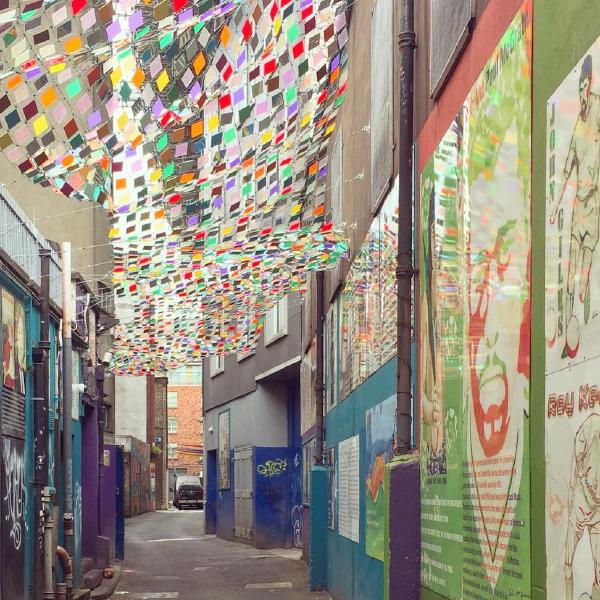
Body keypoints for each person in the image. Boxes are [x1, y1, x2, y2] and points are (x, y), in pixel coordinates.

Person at [549, 55, 600, 358]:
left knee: (584, 276)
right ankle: (569, 336)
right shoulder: (577, 130)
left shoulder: (597, 108)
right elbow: (566, 169)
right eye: (580, 85)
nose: (582, 90)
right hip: (579, 205)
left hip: (594, 203)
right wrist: (555, 207)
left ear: (589, 84)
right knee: (570, 279)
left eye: (585, 84)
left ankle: (585, 327)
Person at [564, 413, 600, 600]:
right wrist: (573, 488)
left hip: (598, 509)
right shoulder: (592, 424)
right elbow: (575, 461)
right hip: (581, 500)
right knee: (569, 558)